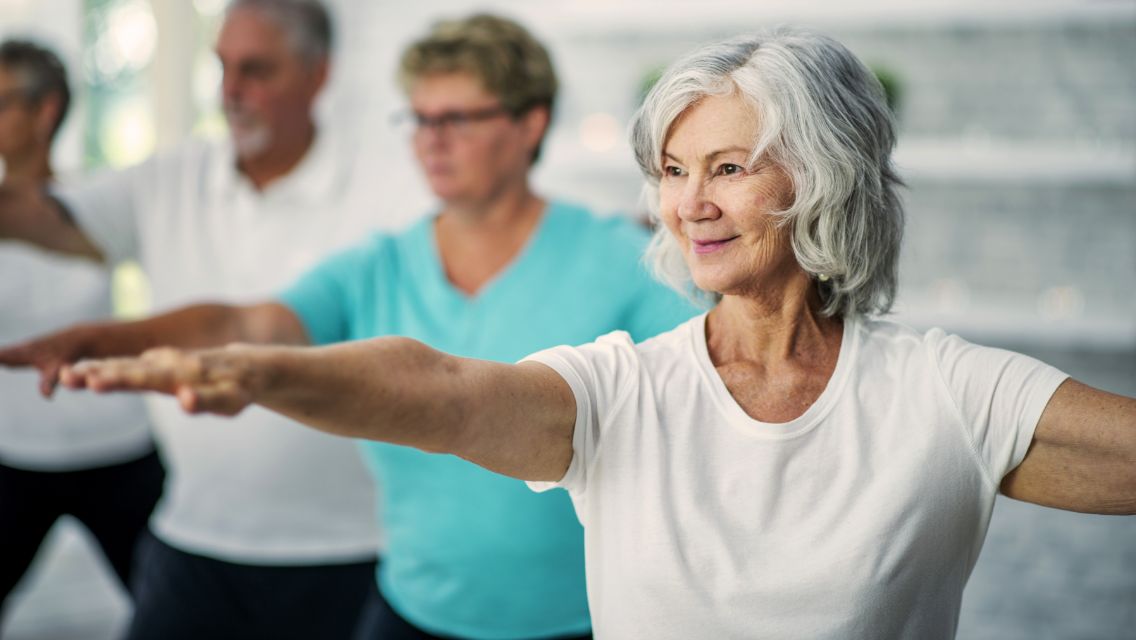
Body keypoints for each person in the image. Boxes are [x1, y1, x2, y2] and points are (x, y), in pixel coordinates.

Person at [12, 25, 1133, 640]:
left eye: (728, 168)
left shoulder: (941, 391)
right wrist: (249, 370)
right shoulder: (619, 390)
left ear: (826, 178)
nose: (689, 204)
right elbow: (441, 387)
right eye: (674, 172)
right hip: (407, 605)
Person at [0, 13, 697, 640]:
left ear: (530, 124)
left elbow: (708, 387)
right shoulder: (380, 264)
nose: (432, 141)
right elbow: (251, 318)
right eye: (420, 119)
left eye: (457, 118)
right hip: (409, 609)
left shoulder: (616, 258)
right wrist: (108, 337)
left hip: (575, 617)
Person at [0, 2, 382, 638]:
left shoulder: (382, 189)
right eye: (223, 67)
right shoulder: (173, 177)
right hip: (194, 536)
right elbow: (45, 217)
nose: (231, 90)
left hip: (345, 546)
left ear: (318, 74)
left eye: (256, 70)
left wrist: (107, 339)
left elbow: (254, 327)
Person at [0, 38, 164, 626]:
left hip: (116, 447)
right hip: (14, 453)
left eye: (1, 102)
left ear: (45, 111)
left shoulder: (98, 205)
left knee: (168, 608)